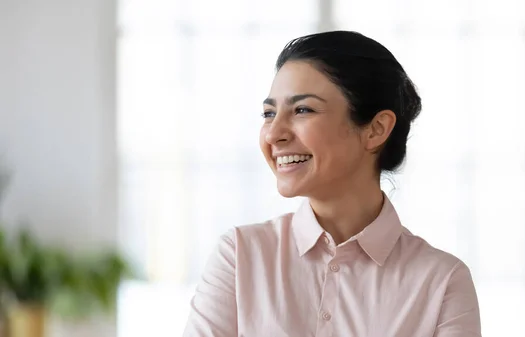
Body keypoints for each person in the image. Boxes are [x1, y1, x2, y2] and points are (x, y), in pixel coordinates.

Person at [183, 31, 481, 337]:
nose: (273, 134)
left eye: (303, 110)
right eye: (269, 113)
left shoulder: (442, 282)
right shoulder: (240, 257)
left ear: (376, 129)